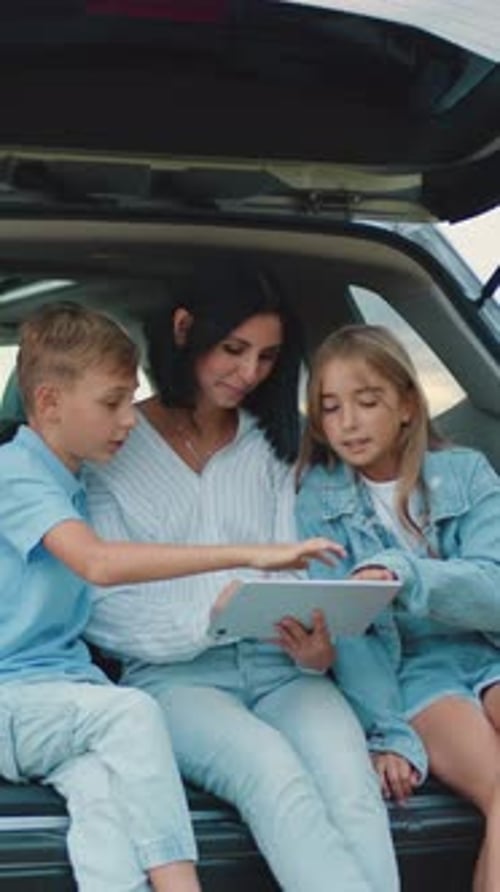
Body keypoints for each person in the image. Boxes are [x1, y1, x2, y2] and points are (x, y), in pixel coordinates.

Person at [0, 301, 339, 892]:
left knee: (106, 810)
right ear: (50, 402)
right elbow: (99, 564)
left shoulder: (75, 477)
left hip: (64, 698)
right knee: (134, 714)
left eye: (130, 399)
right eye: (111, 404)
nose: (129, 419)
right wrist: (248, 554)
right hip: (12, 699)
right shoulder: (15, 473)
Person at [85, 268, 400, 892]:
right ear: (183, 331)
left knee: (352, 788)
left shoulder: (272, 447)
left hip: (284, 666)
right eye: (234, 350)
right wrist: (208, 617)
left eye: (267, 356)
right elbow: (99, 605)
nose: (250, 372)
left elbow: (299, 564)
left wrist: (317, 648)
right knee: (276, 779)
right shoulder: (113, 446)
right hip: (174, 682)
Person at [296, 323, 500, 892]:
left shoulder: (467, 473)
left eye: (368, 401)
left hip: (486, 649)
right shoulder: (317, 500)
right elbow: (351, 631)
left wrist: (404, 574)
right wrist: (388, 732)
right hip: (410, 671)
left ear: (408, 404)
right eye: (331, 409)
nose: (350, 423)